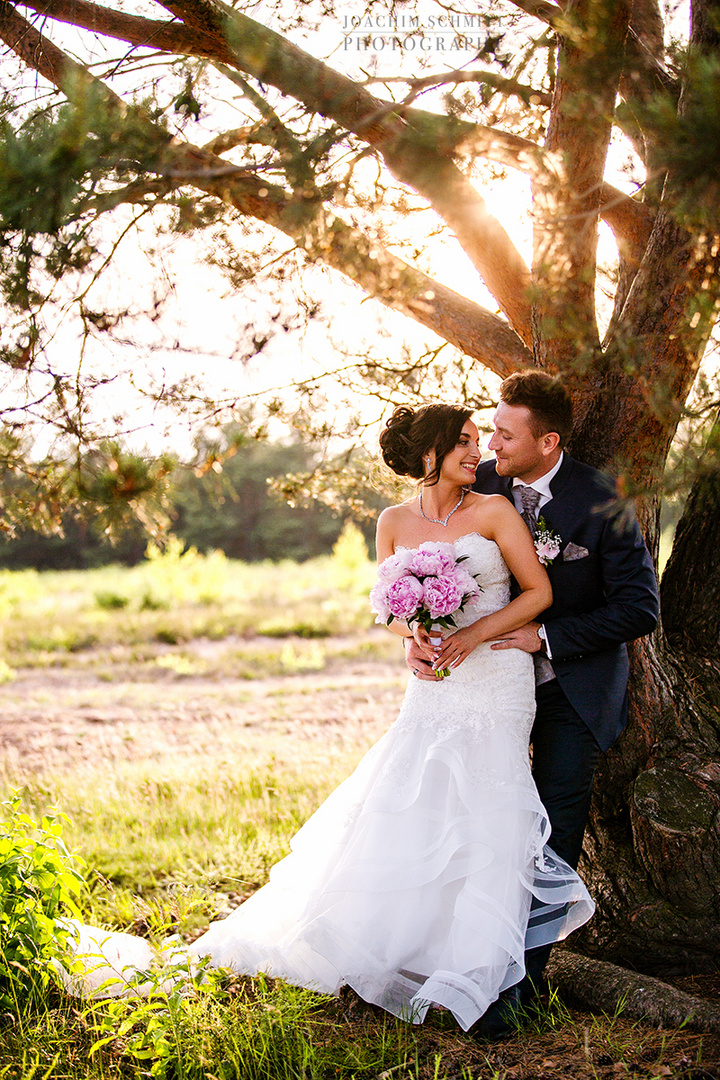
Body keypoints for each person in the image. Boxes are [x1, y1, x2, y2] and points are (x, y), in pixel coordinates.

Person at [62, 402, 595, 1034]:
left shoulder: (495, 510)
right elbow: (393, 607)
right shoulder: (393, 522)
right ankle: (410, 952)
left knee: (492, 808)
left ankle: (482, 976)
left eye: (477, 441)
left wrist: (473, 634)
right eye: (460, 443)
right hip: (435, 681)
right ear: (427, 455)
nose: (473, 452)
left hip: (496, 676)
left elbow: (540, 593)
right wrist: (411, 640)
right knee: (418, 802)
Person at [405, 372, 659, 1038]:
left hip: (571, 689)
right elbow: (424, 565)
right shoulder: (477, 481)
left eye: (503, 433)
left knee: (550, 828)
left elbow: (639, 608)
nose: (489, 443)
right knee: (475, 820)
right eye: (488, 431)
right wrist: (416, 636)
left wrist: (544, 634)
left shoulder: (602, 502)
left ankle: (520, 983)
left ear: (547, 442)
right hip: (483, 686)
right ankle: (453, 960)